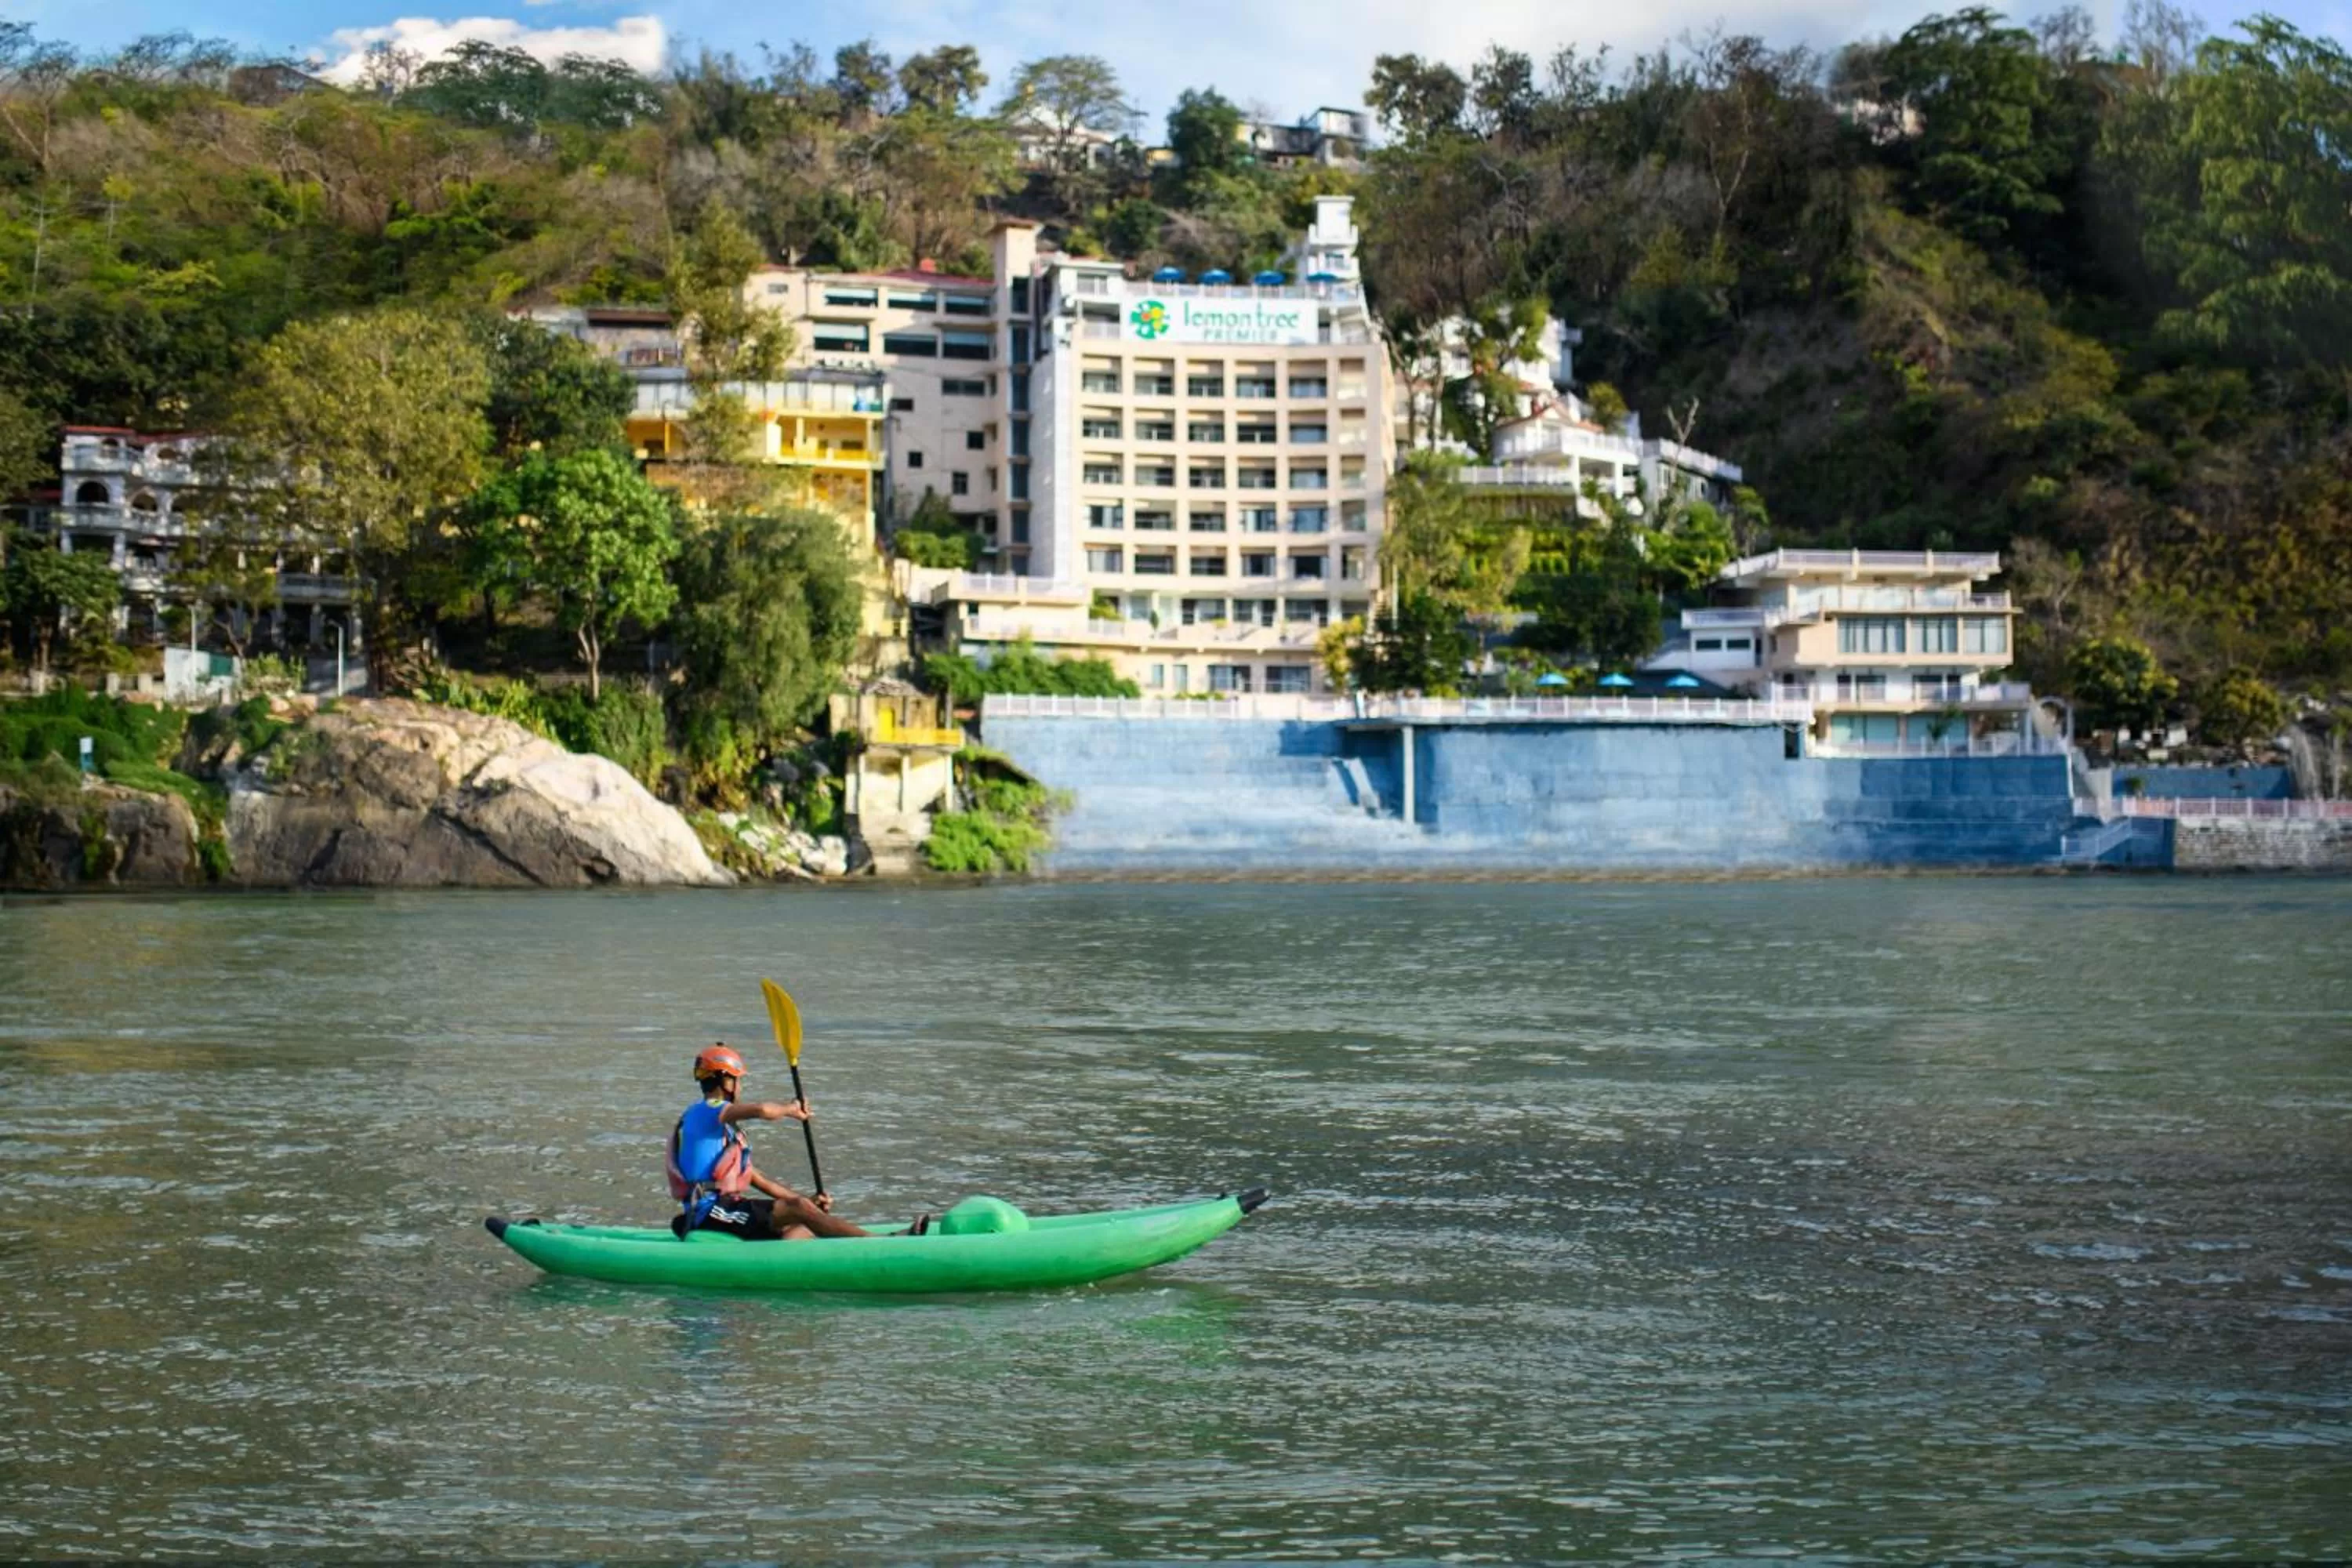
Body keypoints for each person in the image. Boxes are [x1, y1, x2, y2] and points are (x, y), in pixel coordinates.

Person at [666, 1044, 873, 1240]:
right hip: (709, 1212)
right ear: (726, 1081)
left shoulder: (721, 1134)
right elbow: (763, 1111)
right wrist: (791, 1109)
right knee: (798, 1209)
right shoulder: (706, 1110)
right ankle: (874, 1244)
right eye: (738, 1080)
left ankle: (784, 1259)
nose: (740, 1088)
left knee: (805, 1221)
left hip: (729, 1209)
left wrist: (808, 1203)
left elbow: (762, 1182)